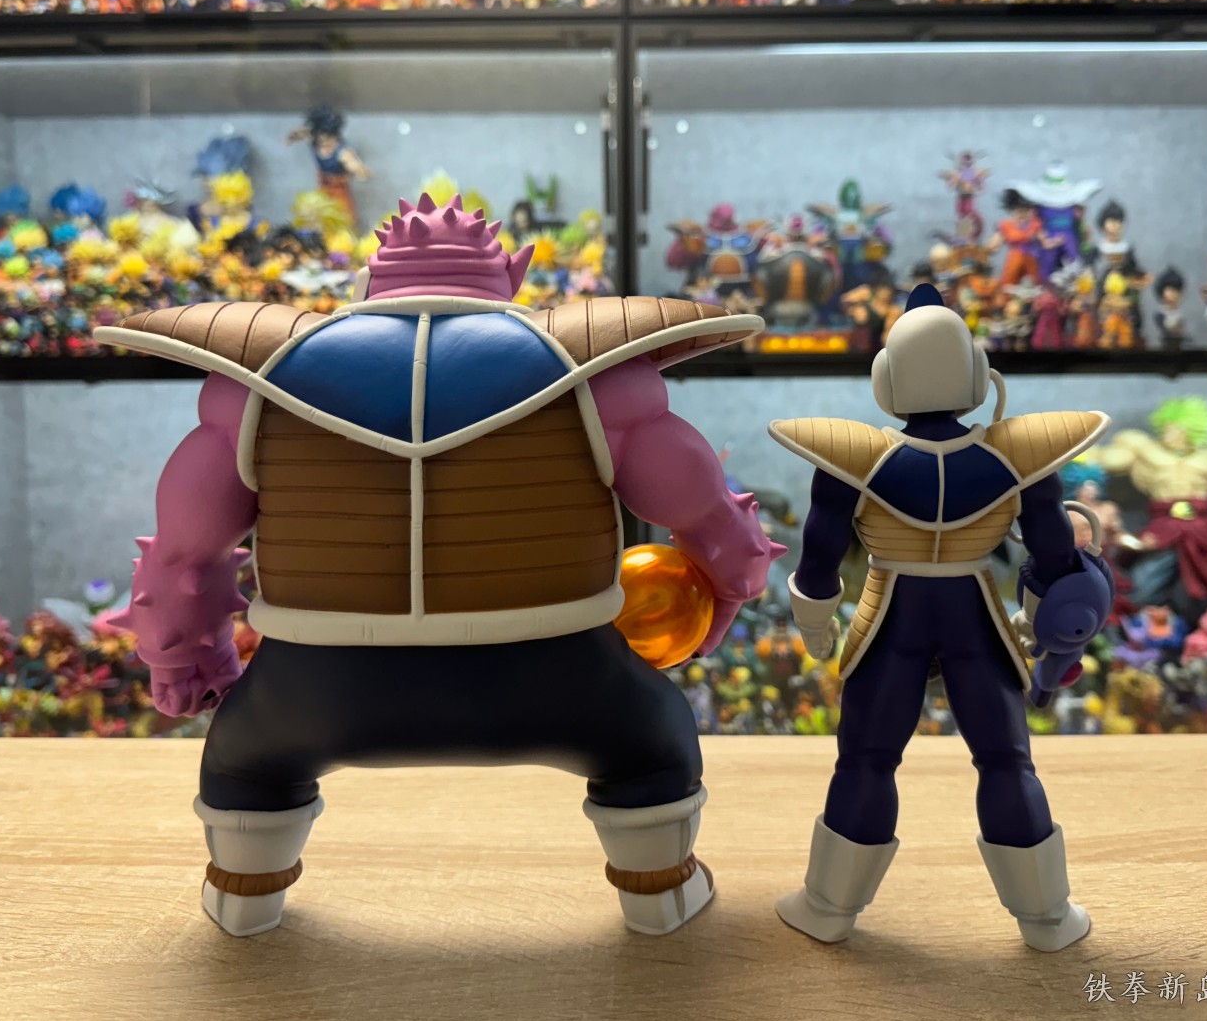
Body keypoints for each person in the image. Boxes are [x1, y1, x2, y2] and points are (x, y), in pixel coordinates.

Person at [94, 193, 778, 939]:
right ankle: (659, 895)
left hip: (312, 690)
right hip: (563, 677)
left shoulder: (253, 385)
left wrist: (188, 667)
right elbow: (708, 515)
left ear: (370, 277)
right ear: (511, 273)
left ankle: (244, 897)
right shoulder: (601, 378)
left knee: (243, 761)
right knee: (653, 745)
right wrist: (724, 600)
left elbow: (184, 555)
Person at [768, 284, 1113, 951]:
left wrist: (815, 626)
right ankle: (1046, 917)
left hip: (888, 616)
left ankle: (829, 907)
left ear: (887, 379)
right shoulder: (1019, 457)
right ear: (978, 376)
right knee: (1007, 762)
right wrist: (1046, 624)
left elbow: (818, 560)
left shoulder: (853, 460)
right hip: (975, 615)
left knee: (866, 761)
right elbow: (1053, 557)